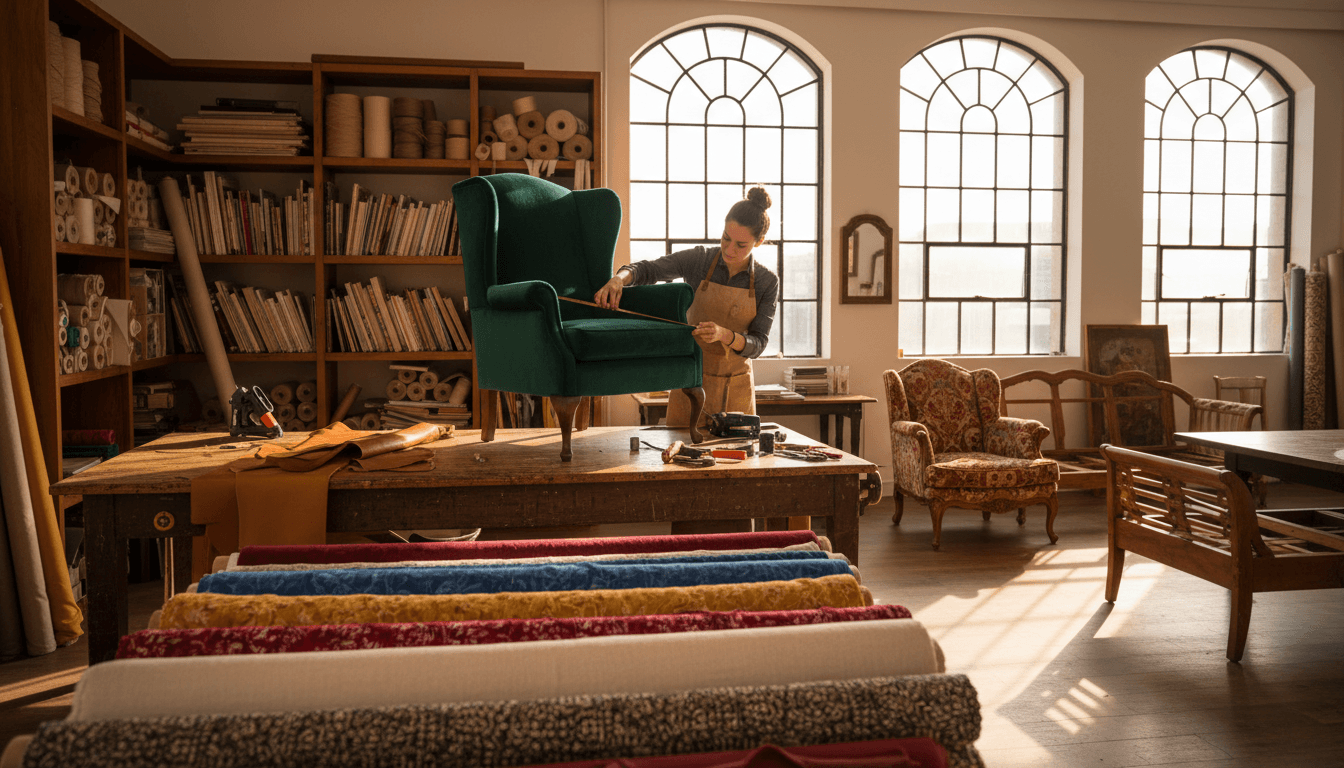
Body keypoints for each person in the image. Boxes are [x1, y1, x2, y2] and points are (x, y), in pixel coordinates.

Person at [594, 186, 778, 428]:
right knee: (679, 455)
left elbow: (758, 344)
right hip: (689, 382)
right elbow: (647, 269)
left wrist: (724, 335)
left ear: (759, 241)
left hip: (736, 391)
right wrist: (619, 279)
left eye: (741, 245)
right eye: (725, 238)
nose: (729, 249)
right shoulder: (700, 260)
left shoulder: (767, 281)